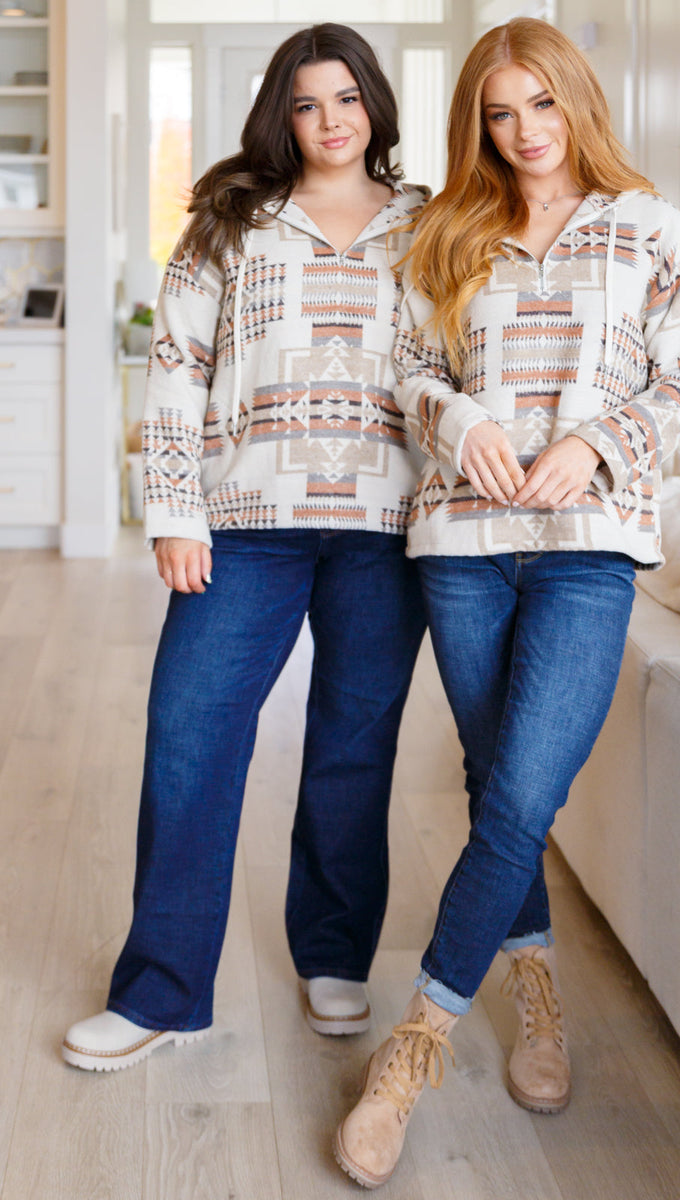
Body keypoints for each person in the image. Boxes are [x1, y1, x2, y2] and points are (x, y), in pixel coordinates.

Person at [334, 16, 680, 1188]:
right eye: (498, 115)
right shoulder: (443, 230)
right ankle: (538, 998)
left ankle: (415, 1045)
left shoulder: (646, 225)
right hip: (459, 542)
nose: (522, 133)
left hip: (586, 548)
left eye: (539, 106)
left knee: (521, 791)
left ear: (574, 102)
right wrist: (464, 420)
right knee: (494, 777)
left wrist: (597, 444)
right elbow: (407, 374)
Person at [61, 23, 429, 1072]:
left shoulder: (429, 222)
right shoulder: (230, 220)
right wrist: (172, 510)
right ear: (282, 110)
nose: (328, 122)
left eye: (347, 100)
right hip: (244, 525)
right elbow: (173, 367)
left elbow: (455, 361)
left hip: (385, 528)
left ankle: (333, 956)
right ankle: (161, 994)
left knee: (354, 747)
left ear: (374, 107)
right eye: (307, 103)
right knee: (190, 735)